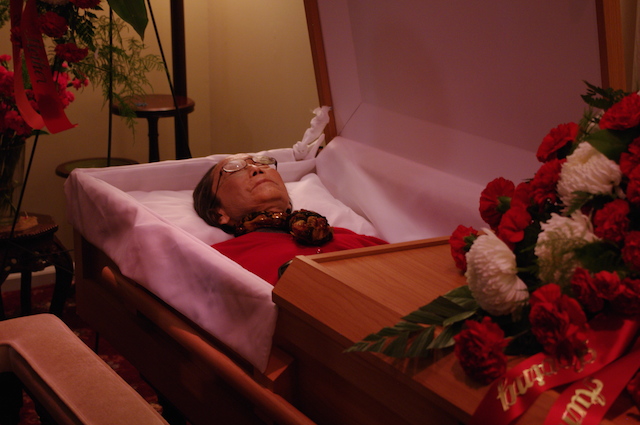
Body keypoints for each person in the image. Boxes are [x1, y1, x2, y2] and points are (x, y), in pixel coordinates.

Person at [193, 154, 387, 284]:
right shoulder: (216, 261)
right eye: (234, 169)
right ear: (218, 214)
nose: (256, 169)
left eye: (262, 163)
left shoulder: (354, 239)